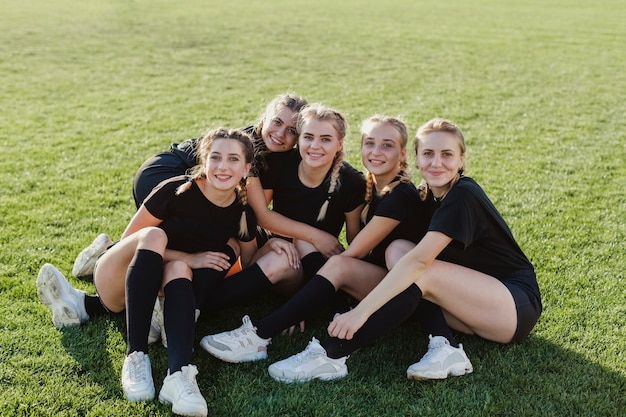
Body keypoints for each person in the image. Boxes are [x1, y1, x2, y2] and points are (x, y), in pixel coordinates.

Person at [265, 118, 542, 383]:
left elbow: (419, 264)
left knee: (419, 269)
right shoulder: (428, 194)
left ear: (461, 160)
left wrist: (361, 312)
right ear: (417, 158)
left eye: (447, 154)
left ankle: (331, 355)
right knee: (399, 251)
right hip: (466, 309)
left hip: (513, 306)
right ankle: (443, 342)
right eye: (428, 154)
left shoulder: (463, 194)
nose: (436, 162)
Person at [37, 128, 257, 416]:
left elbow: (248, 256)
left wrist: (229, 254)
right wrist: (191, 258)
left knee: (179, 269)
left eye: (232, 159)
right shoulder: (176, 190)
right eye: (215, 157)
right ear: (204, 160)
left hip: (165, 285)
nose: (223, 166)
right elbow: (131, 240)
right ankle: (136, 356)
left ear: (246, 168)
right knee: (155, 236)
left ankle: (178, 376)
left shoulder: (241, 213)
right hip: (122, 272)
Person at [200, 115, 428, 369]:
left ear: (403, 153)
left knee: (338, 263)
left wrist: (302, 302)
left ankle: (259, 334)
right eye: (370, 143)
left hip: (399, 292)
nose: (376, 151)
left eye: (387, 145)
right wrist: (313, 242)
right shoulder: (374, 186)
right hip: (377, 277)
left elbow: (356, 250)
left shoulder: (398, 193)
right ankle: (333, 308)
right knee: (306, 243)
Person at [70, 92, 346, 279]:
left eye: (292, 131)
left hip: (179, 179)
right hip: (166, 174)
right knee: (202, 239)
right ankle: (113, 259)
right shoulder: (251, 148)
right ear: (264, 117)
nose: (281, 133)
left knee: (214, 234)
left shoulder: (282, 155)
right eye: (276, 122)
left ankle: (108, 251)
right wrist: (314, 236)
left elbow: (253, 209)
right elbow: (260, 214)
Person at [193, 103, 367, 329]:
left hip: (316, 265)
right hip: (276, 250)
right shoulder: (280, 164)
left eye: (325, 139)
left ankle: (324, 304)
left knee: (295, 249)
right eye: (308, 137)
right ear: (300, 139)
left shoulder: (351, 182)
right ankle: (187, 304)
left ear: (339, 144)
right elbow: (261, 215)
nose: (315, 146)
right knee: (266, 250)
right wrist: (315, 235)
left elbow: (355, 238)